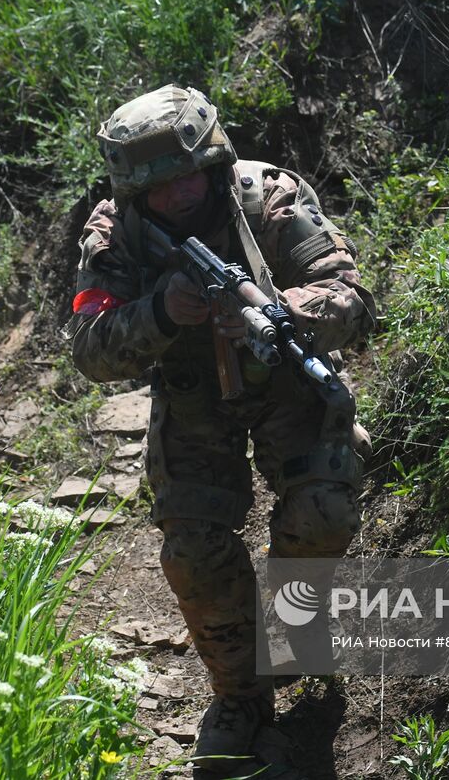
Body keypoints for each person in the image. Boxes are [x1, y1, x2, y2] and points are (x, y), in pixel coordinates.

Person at [69, 84, 376, 771]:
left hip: (285, 377)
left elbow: (352, 295)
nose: (176, 198)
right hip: (192, 394)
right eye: (157, 190)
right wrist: (159, 312)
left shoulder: (269, 196)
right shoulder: (115, 232)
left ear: (211, 162)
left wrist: (284, 309)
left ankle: (299, 632)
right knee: (193, 550)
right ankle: (240, 693)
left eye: (185, 180)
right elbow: (87, 347)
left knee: (323, 506)